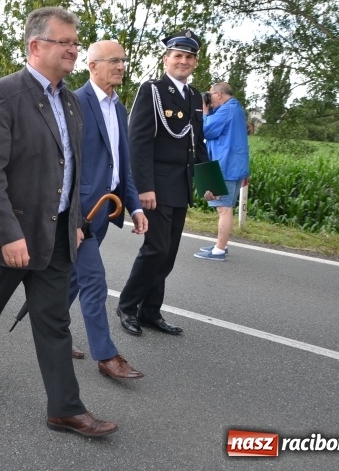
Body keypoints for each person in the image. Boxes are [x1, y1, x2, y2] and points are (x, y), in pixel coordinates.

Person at [0, 6, 118, 439]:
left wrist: (75, 220)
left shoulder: (71, 102)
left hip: (56, 233)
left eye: (76, 44)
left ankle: (65, 408)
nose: (74, 50)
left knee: (54, 320)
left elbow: (72, 170)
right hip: (10, 233)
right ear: (36, 46)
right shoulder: (1, 95)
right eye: (66, 43)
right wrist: (8, 234)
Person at [116, 30, 209, 337]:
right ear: (166, 59)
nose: (183, 61)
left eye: (189, 57)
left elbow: (198, 141)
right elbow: (138, 142)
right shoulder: (152, 90)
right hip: (155, 185)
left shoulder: (195, 96)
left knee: (167, 253)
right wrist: (143, 187)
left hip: (180, 185)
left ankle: (151, 311)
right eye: (177, 56)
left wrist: (209, 180)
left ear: (195, 62)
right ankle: (127, 306)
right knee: (155, 249)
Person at [68, 40, 147, 378]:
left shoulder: (119, 108)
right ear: (92, 65)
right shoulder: (74, 102)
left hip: (105, 210)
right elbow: (64, 165)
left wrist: (136, 206)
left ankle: (53, 331)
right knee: (94, 280)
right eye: (113, 60)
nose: (121, 66)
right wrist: (71, 216)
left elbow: (122, 165)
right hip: (79, 211)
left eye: (123, 61)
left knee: (73, 278)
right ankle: (106, 356)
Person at [194, 82, 250, 261]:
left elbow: (205, 130)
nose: (209, 99)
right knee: (226, 208)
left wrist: (203, 111)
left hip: (226, 166)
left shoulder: (228, 110)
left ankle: (219, 250)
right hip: (234, 165)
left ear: (218, 95)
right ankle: (221, 244)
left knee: (223, 209)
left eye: (211, 95)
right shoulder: (235, 108)